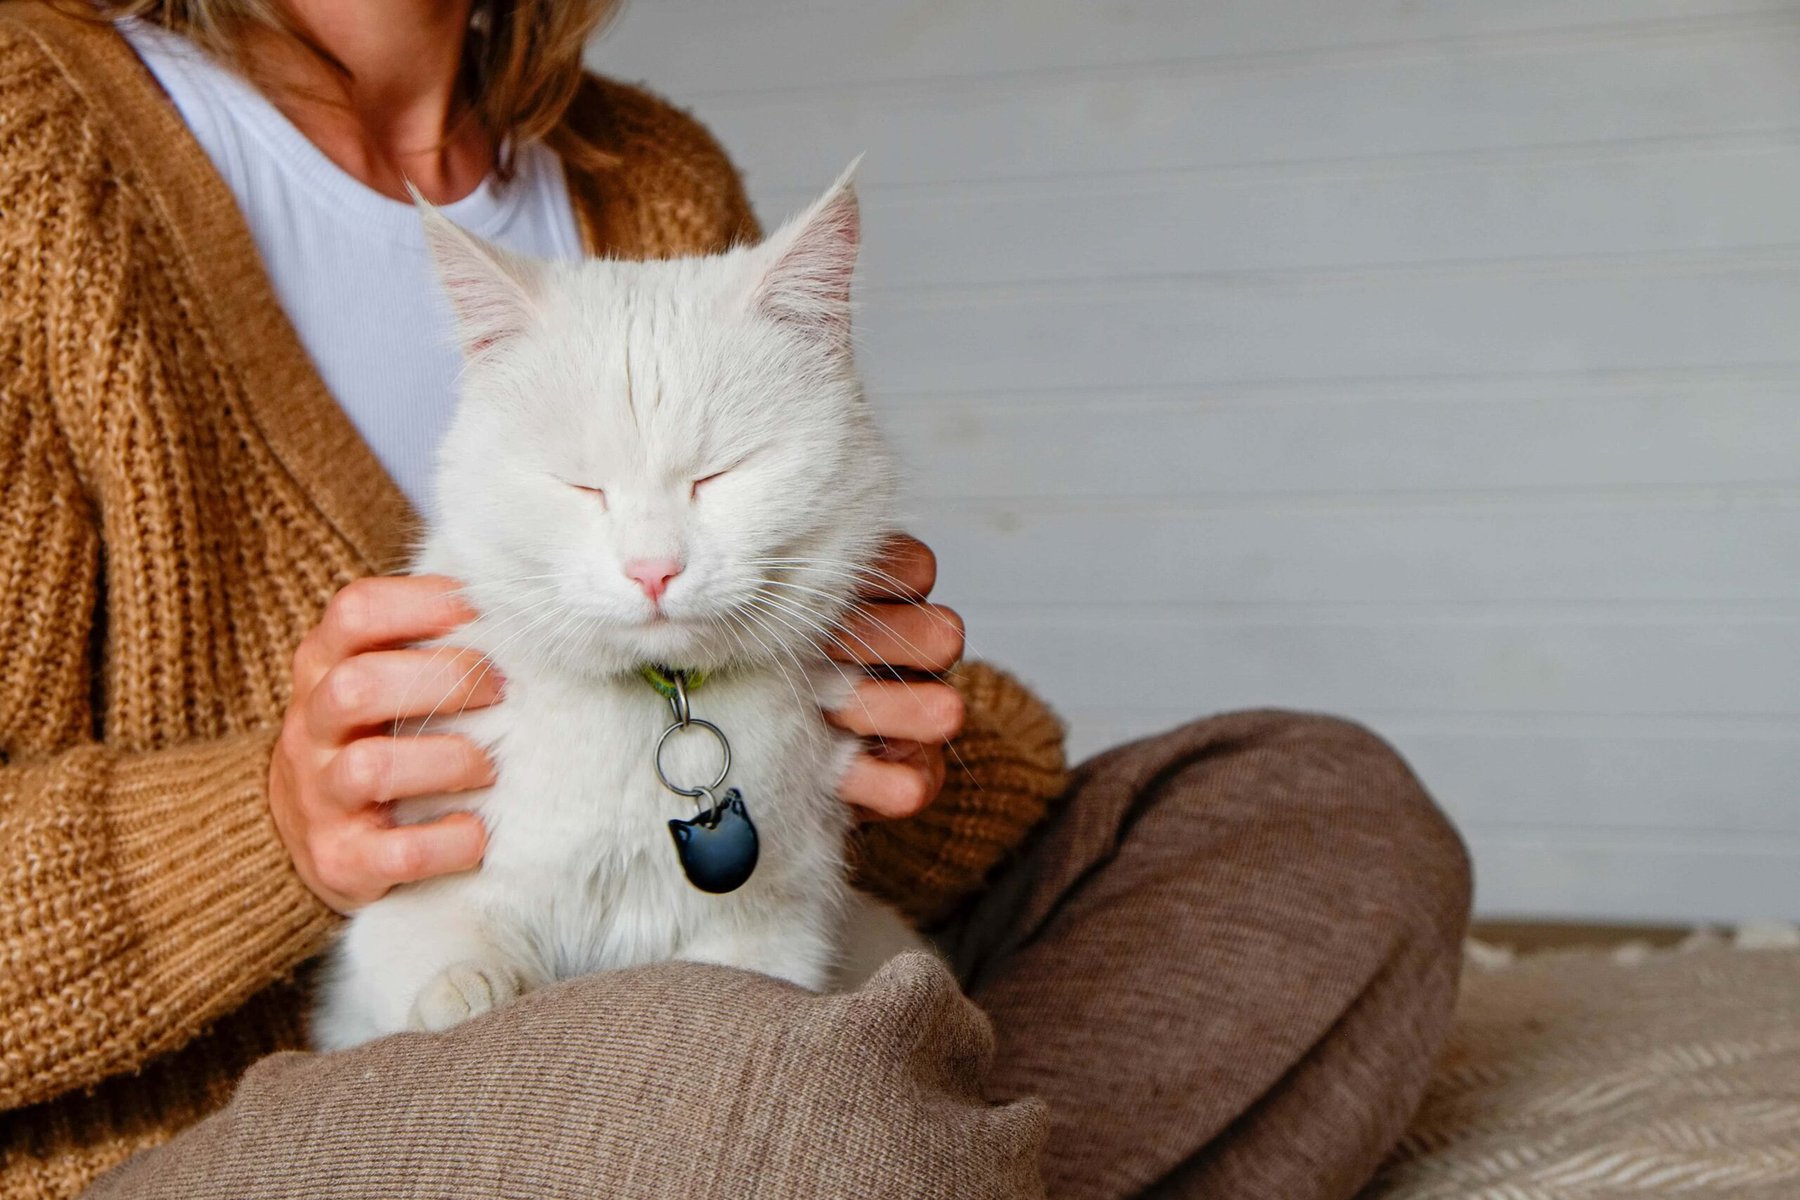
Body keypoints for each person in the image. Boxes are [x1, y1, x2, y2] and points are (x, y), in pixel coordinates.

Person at [0, 2, 1472, 1197]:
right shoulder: (35, 131)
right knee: (777, 1093)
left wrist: (899, 743)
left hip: (737, 961)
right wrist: (264, 837)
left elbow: (812, 767)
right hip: (275, 1113)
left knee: (1324, 816)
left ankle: (885, 1148)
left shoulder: (651, 168)